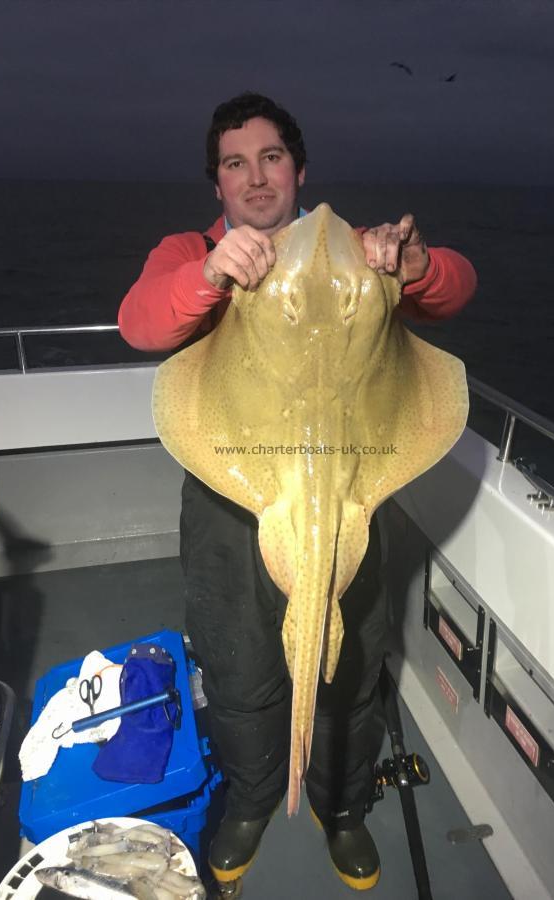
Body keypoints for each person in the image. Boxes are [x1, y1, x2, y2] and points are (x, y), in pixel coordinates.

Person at [119, 92, 476, 891]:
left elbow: (454, 289)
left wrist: (410, 265)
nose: (254, 177)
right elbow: (140, 323)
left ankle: (340, 804)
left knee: (347, 667)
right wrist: (211, 273)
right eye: (234, 164)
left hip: (351, 491)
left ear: (298, 168)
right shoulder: (192, 250)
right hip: (230, 497)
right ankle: (253, 796)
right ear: (216, 183)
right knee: (239, 663)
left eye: (270, 157)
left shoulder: (357, 249)